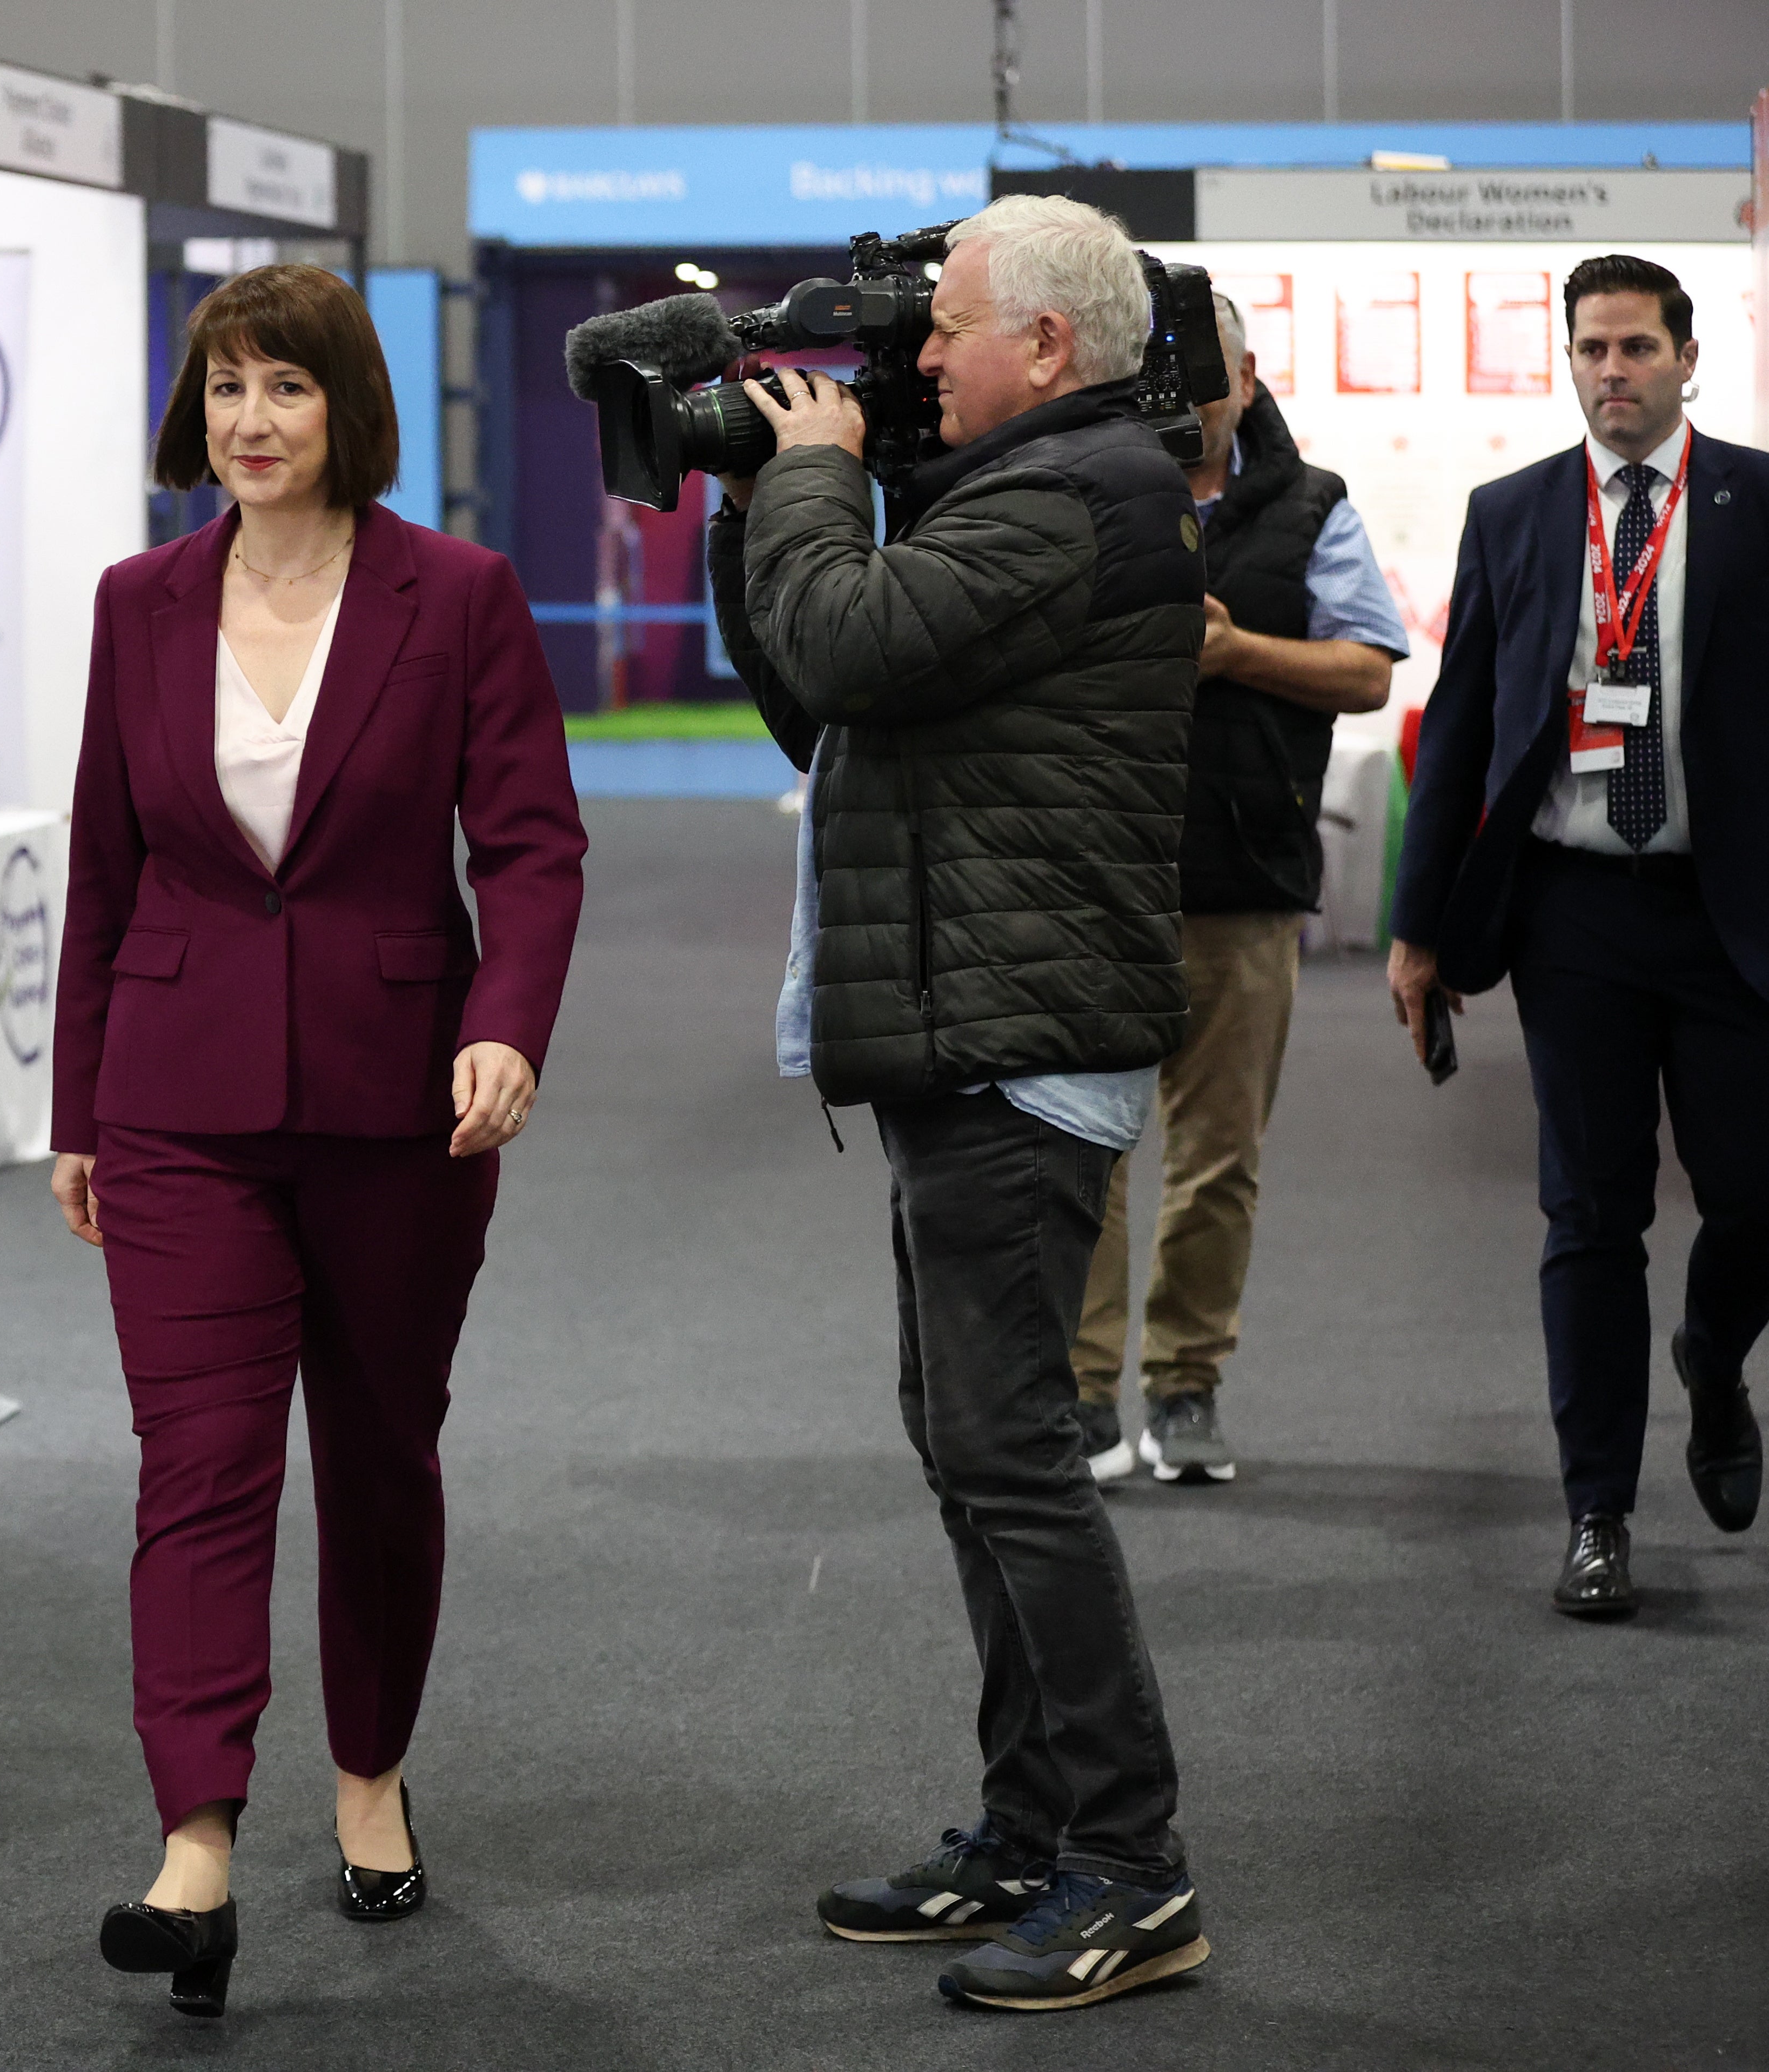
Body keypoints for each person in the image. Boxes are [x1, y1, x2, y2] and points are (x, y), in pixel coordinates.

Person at [50, 263, 586, 2018]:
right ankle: (193, 1841)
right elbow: (103, 878)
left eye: (282, 388)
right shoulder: (139, 602)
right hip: (175, 1098)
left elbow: (527, 844)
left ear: (344, 404)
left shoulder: (459, 596)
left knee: (374, 1452)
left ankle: (369, 1771)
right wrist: (75, 1113)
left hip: (397, 1099)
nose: (249, 423)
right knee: (196, 1464)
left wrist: (505, 1016)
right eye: (222, 388)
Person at [709, 193, 1209, 2012]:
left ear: (1050, 345)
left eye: (946, 327)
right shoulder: (1029, 491)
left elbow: (841, 637)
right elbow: (818, 699)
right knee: (972, 1451)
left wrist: (813, 475)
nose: (913, 358)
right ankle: (1025, 1827)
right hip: (963, 1029)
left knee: (1009, 1460)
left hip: (1013, 1037)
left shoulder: (1082, 493)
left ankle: (1129, 1865)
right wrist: (748, 493)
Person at [1388, 253, 1767, 1619]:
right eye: (1590, 349)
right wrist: (1418, 930)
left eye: (1636, 349)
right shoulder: (1515, 514)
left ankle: (1713, 1364)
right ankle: (1596, 1512)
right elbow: (1468, 729)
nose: (1612, 372)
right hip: (1575, 911)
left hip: (1734, 914)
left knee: (1753, 1198)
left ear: (1685, 358)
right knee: (1589, 1213)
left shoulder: (1752, 501)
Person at [1069, 293, 1410, 1486]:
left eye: (1206, 370)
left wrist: (1234, 652)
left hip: (1245, 881)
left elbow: (1368, 671)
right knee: (1083, 1154)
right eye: (1164, 369)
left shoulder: (1309, 509)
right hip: (1093, 879)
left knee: (1219, 1157)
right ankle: (1079, 1398)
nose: (1187, 392)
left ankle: (1185, 1388)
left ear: (1248, 379)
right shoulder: (1088, 489)